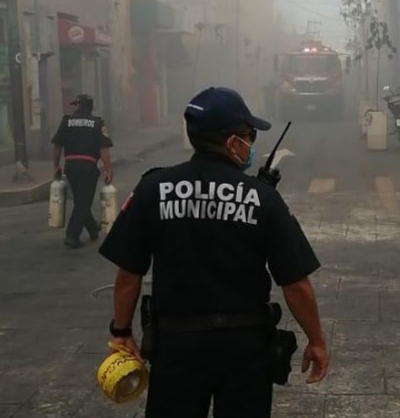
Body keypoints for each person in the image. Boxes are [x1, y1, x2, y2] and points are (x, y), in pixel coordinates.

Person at [98, 86, 329, 418]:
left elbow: (128, 275)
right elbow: (295, 285)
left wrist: (121, 332)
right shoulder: (262, 198)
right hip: (244, 349)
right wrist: (317, 340)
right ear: (233, 142)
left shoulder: (153, 188)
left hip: (176, 348)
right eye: (249, 136)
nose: (252, 144)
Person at [51, 94, 113, 249]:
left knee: (81, 200)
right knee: (84, 202)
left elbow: (57, 146)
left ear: (78, 106)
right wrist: (108, 169)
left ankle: (93, 228)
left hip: (70, 167)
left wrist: (56, 166)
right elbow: (103, 149)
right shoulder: (97, 123)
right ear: (91, 107)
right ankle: (72, 235)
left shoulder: (66, 121)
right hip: (88, 167)